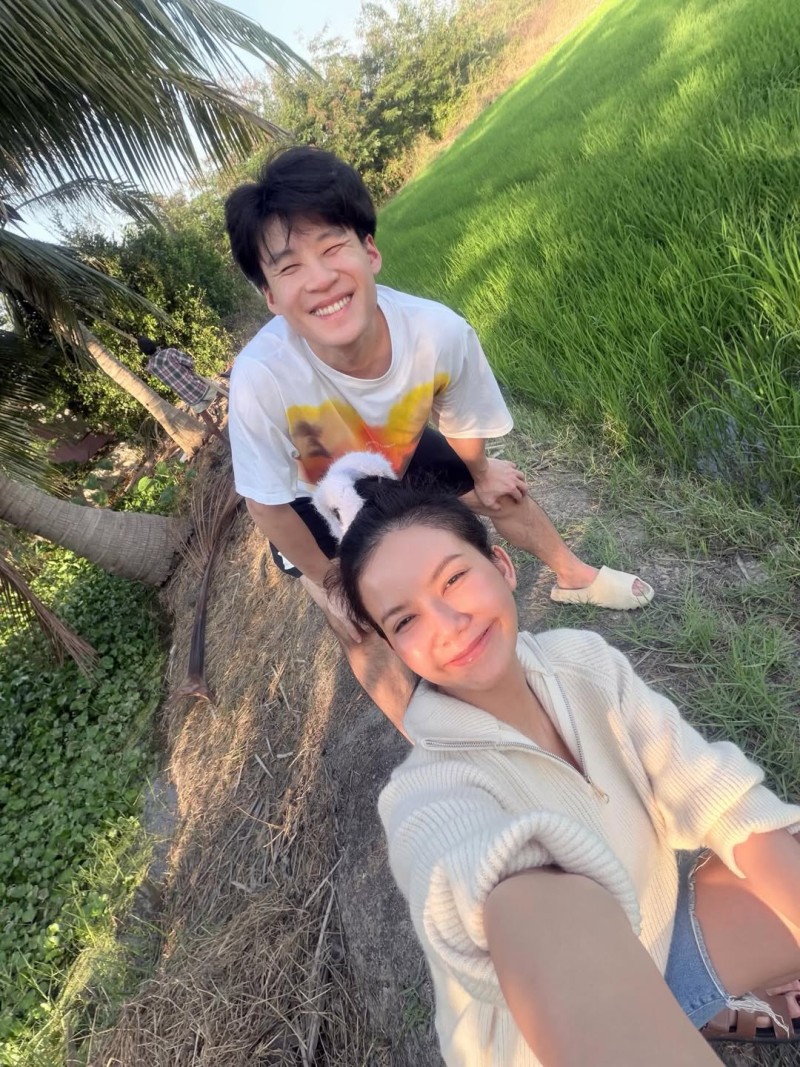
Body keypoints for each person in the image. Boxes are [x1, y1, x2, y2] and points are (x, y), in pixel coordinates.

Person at [314, 452, 800, 1067]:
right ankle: (705, 1007)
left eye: (453, 579)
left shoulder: (580, 661)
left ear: (502, 565)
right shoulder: (424, 796)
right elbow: (491, 884)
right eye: (405, 619)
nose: (447, 624)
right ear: (395, 648)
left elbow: (720, 797)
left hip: (660, 938)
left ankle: (711, 1002)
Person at [224, 145, 653, 731]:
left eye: (332, 247)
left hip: (393, 452)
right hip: (314, 494)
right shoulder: (260, 378)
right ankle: (427, 735)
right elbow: (267, 505)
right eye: (289, 267)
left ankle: (573, 576)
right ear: (271, 297)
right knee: (354, 621)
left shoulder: (437, 331)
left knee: (504, 492)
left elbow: (462, 418)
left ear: (370, 251)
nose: (320, 279)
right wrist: (330, 582)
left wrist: (480, 473)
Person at [137, 336, 226, 437]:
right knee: (224, 390)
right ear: (153, 343)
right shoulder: (169, 352)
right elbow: (190, 362)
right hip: (199, 386)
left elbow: (155, 361)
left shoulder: (151, 368)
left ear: (144, 352)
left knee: (208, 420)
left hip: (189, 398)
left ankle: (226, 442)